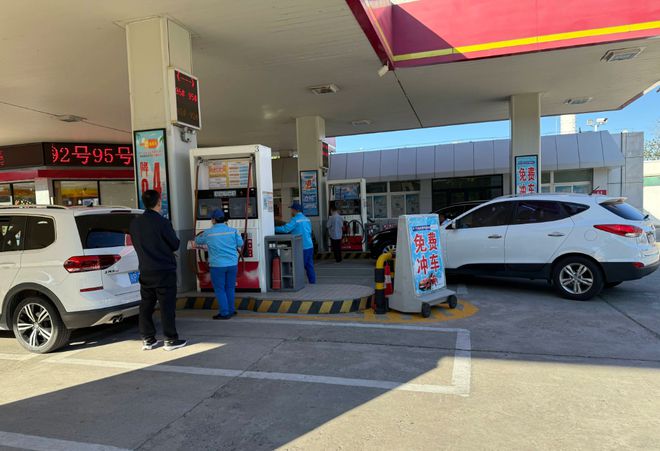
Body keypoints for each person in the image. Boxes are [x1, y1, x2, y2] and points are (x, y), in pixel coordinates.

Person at [129, 190, 187, 351]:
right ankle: (170, 339)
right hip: (164, 271)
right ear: (159, 203)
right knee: (167, 306)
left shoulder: (135, 223)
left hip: (145, 270)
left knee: (146, 306)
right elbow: (175, 244)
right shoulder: (163, 222)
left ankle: (148, 339)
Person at [195, 209, 243, 320]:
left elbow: (197, 240)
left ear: (213, 220)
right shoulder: (233, 231)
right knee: (230, 288)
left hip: (217, 266)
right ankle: (231, 310)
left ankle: (225, 313)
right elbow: (240, 243)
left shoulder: (208, 233)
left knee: (220, 289)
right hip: (232, 264)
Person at [275, 202, 316, 283]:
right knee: (309, 265)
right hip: (309, 245)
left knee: (298, 266)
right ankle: (312, 282)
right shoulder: (307, 219)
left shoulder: (295, 220)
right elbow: (310, 231)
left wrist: (273, 228)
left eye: (292, 209)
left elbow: (286, 229)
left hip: (300, 246)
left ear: (295, 210)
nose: (291, 211)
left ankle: (298, 283)